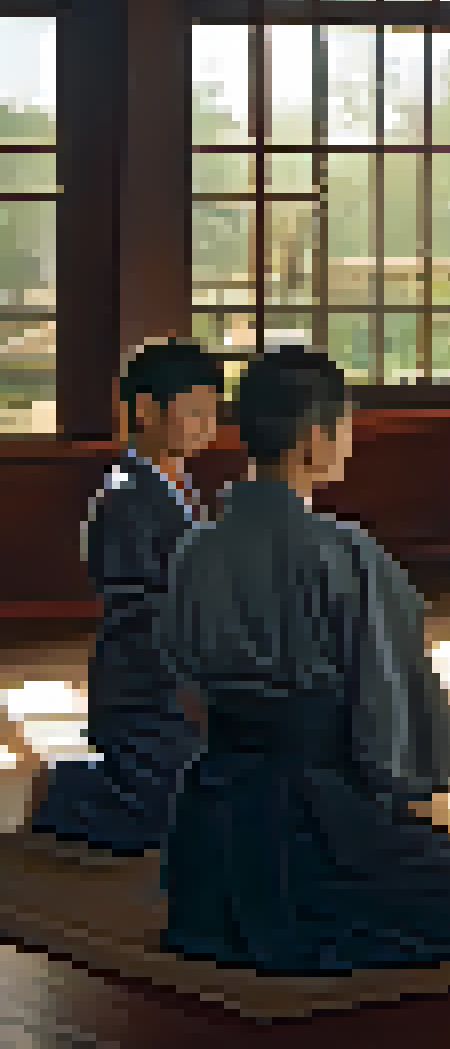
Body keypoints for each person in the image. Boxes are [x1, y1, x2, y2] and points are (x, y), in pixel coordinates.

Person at [157, 346, 450, 974]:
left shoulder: (196, 551)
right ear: (314, 439)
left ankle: (243, 912)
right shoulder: (346, 554)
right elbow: (386, 710)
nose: (345, 443)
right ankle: (300, 920)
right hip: (318, 810)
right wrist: (393, 793)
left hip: (213, 820)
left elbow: (187, 693)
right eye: (343, 429)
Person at [25, 340, 220, 865]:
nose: (207, 423)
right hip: (145, 690)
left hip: (183, 682)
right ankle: (46, 789)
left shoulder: (176, 486)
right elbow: (139, 610)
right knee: (155, 817)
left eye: (213, 411)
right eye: (195, 410)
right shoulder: (126, 495)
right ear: (144, 410)